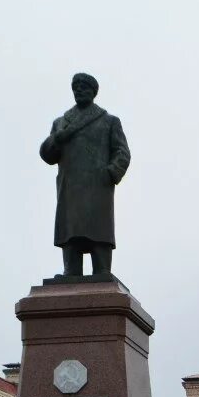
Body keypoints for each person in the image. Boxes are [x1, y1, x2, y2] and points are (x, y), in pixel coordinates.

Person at [39, 72, 132, 277]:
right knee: (70, 231)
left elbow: (122, 152)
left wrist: (110, 173)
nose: (79, 90)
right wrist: (58, 138)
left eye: (84, 86)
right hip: (70, 187)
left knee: (99, 230)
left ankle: (102, 270)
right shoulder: (61, 123)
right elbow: (47, 155)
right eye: (76, 87)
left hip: (98, 186)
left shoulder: (109, 121)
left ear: (93, 91)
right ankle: (70, 272)